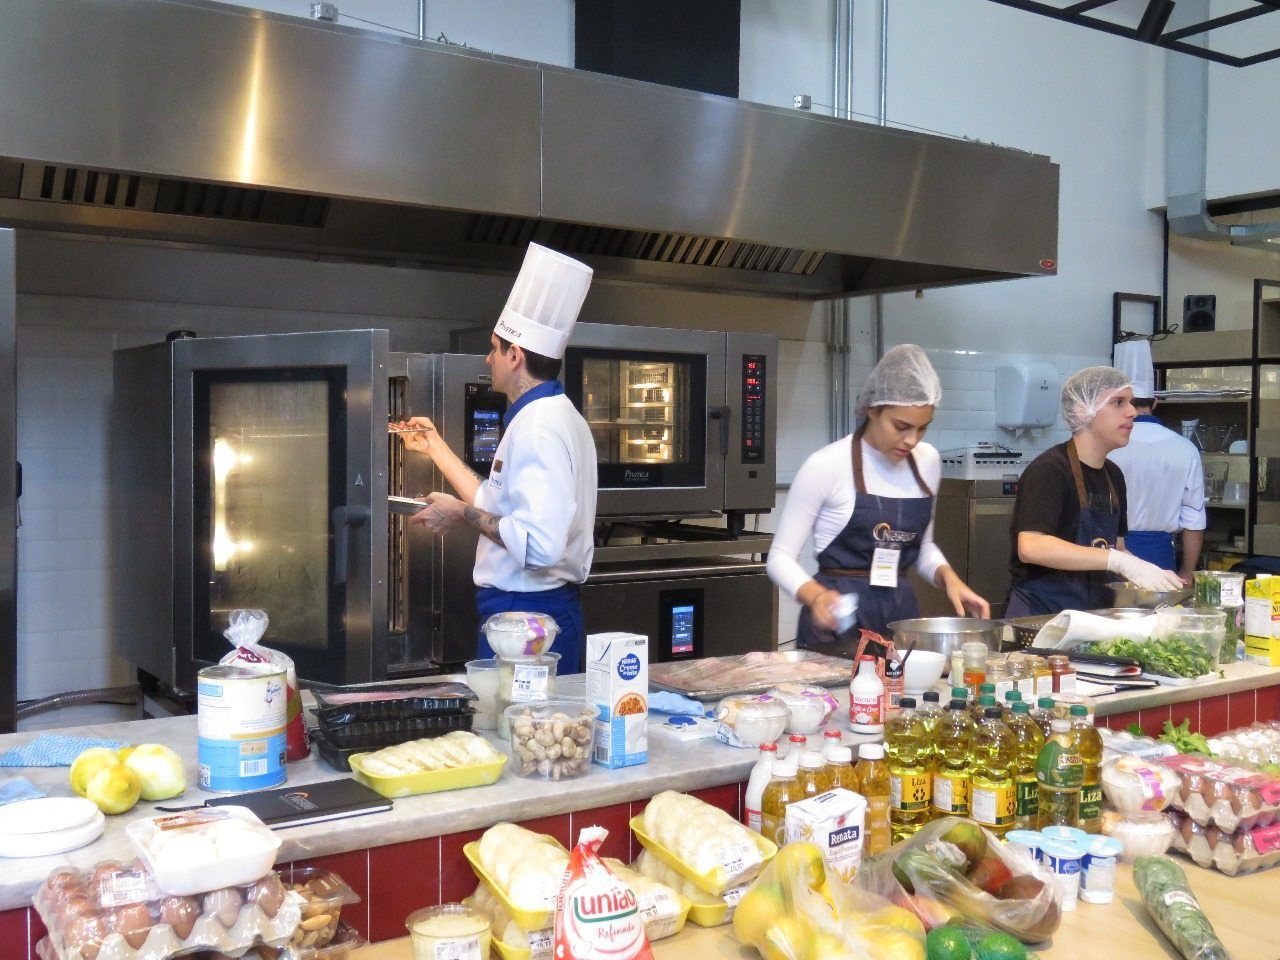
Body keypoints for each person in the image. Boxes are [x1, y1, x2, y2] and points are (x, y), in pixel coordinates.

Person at [393, 243, 598, 672]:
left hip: (529, 617)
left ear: (515, 356)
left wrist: (460, 514)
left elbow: (538, 547)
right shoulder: (550, 415)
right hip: (526, 611)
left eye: (494, 349)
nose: (488, 360)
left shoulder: (538, 429)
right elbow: (497, 501)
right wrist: (435, 447)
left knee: (520, 715)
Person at [766, 344, 991, 654]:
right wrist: (815, 596)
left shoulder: (927, 461)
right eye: (901, 426)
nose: (911, 440)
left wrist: (949, 578)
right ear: (873, 409)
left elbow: (923, 548)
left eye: (922, 429)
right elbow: (779, 557)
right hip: (838, 619)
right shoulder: (826, 465)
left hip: (901, 615)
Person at [1006, 365, 1184, 618]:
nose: (1132, 412)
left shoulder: (1113, 475)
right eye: (1118, 402)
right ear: (1083, 409)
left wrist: (1148, 573)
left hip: (1093, 615)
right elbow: (1031, 546)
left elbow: (1116, 546)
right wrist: (1117, 561)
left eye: (1131, 402)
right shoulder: (1050, 470)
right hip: (1042, 618)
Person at [1106, 344, 1205, 579]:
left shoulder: (1107, 446)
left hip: (1110, 554)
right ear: (1155, 402)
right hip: (1160, 557)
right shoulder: (1185, 448)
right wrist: (1187, 573)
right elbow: (1194, 521)